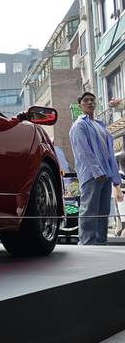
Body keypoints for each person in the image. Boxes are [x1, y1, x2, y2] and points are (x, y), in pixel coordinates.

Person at [69, 92, 121, 245]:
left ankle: (101, 241)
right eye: (86, 100)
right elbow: (83, 151)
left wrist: (114, 177)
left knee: (103, 211)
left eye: (92, 100)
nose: (90, 102)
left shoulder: (100, 125)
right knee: (89, 209)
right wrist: (96, 171)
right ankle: (87, 242)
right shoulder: (79, 125)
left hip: (106, 174)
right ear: (80, 105)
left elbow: (109, 153)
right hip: (92, 175)